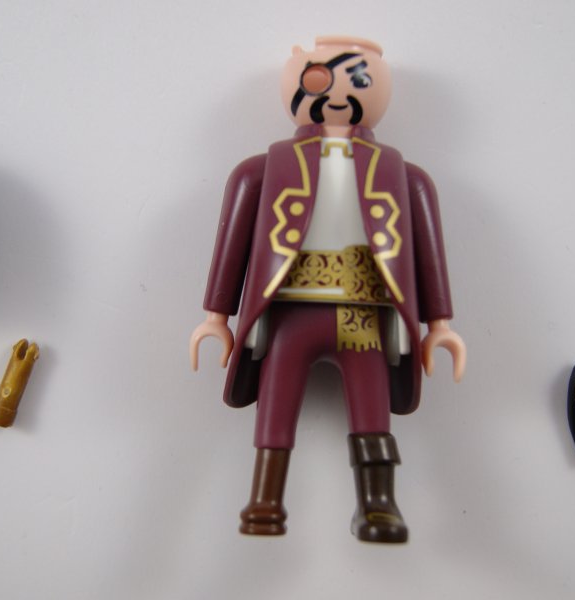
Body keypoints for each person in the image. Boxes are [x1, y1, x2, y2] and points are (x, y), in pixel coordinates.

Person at [190, 36, 466, 543]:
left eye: (357, 81)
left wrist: (439, 324)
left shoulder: (404, 175)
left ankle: (378, 504)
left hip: (363, 310)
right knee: (277, 397)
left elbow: (428, 252)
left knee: (371, 406)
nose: (338, 95)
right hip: (289, 310)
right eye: (320, 79)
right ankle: (265, 500)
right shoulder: (264, 168)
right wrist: (216, 316)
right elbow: (234, 242)